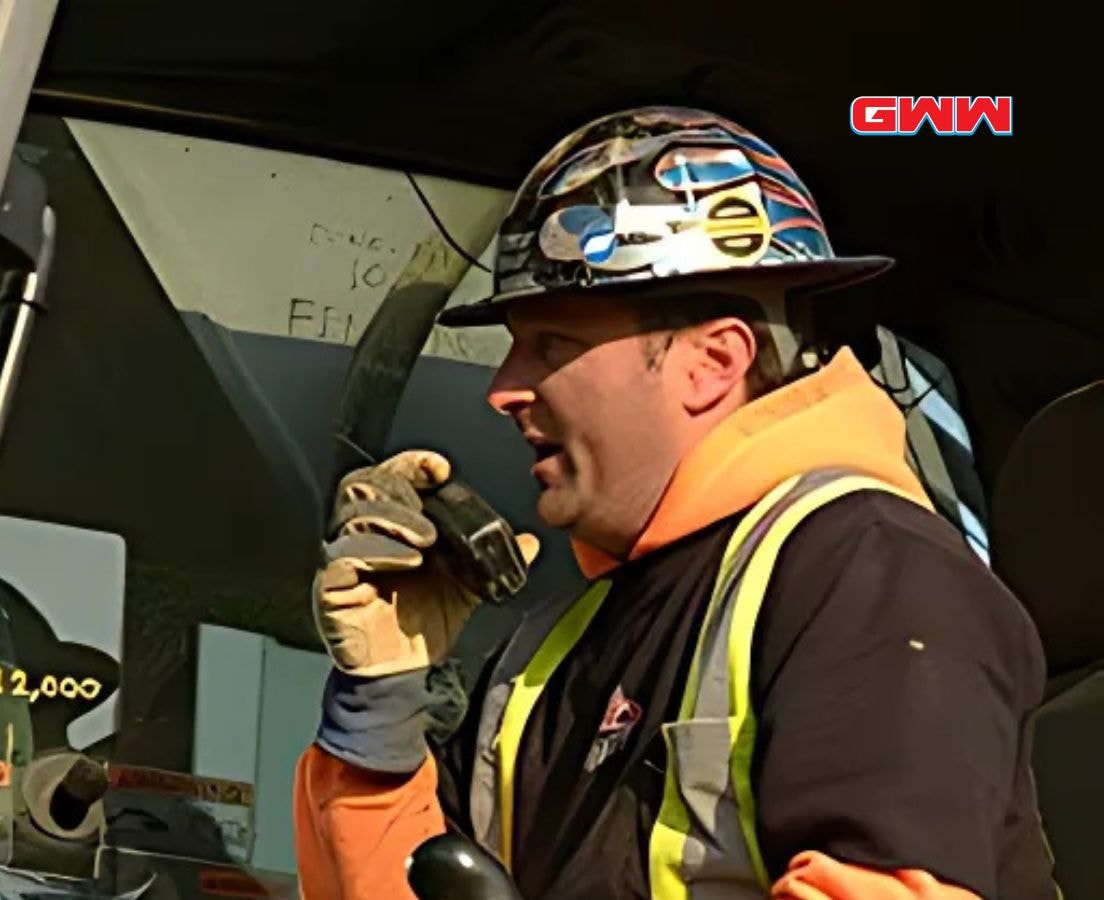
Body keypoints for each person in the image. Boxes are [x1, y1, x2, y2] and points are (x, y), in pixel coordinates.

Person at [291, 107, 1057, 900]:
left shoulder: (873, 573)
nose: (502, 389)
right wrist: (379, 700)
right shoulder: (555, 647)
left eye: (552, 344)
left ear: (713, 362)